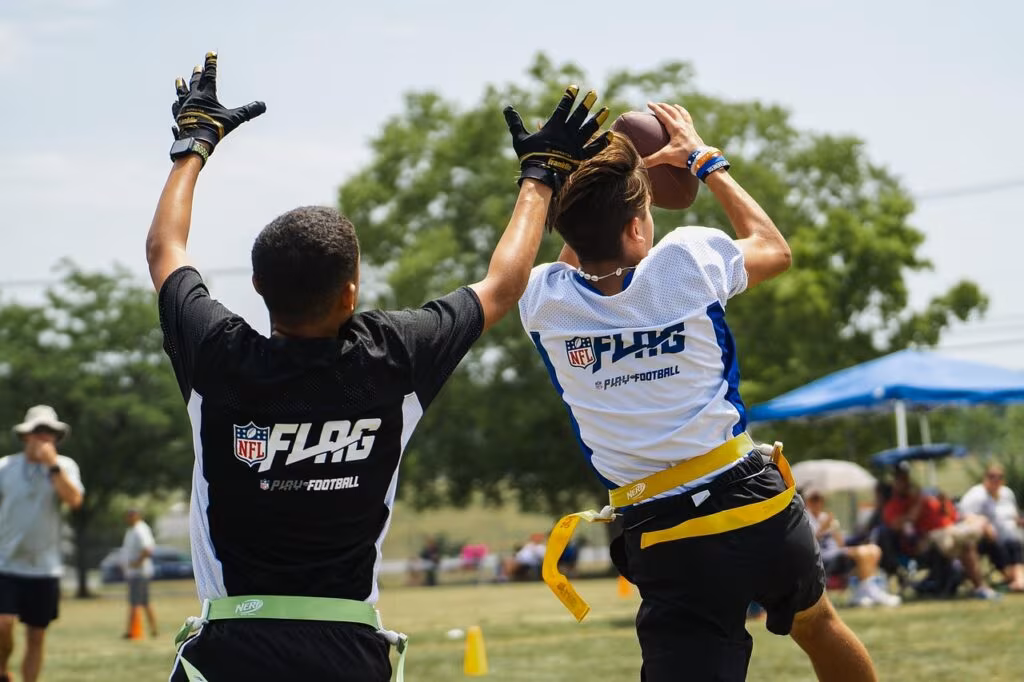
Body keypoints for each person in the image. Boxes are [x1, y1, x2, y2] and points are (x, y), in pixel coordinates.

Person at [146, 52, 610, 682]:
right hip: (349, 653)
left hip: (229, 651)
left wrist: (193, 142)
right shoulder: (393, 355)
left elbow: (165, 250)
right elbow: (503, 286)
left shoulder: (217, 355)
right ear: (351, 292)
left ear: (256, 285)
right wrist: (540, 174)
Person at [519, 103, 877, 681]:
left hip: (663, 528)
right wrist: (703, 160)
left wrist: (587, 183)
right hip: (749, 495)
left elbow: (577, 252)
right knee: (818, 624)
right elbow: (773, 246)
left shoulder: (543, 301)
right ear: (639, 227)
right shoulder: (687, 261)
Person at [0, 405, 84, 682]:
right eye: (39, 432)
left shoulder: (66, 466)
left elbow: (73, 500)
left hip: (45, 567)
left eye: (50, 433)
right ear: (26, 436)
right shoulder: (5, 467)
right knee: (3, 624)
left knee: (36, 635)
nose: (45, 438)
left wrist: (53, 466)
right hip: (6, 562)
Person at [882, 466, 998, 599]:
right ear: (895, 484)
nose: (905, 483)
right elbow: (900, 525)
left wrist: (943, 503)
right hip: (925, 540)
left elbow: (952, 517)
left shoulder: (929, 498)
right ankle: (981, 586)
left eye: (906, 479)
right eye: (900, 480)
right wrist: (919, 502)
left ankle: (981, 588)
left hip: (949, 532)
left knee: (966, 543)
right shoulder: (894, 506)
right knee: (961, 538)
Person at [803, 489, 901, 607]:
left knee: (874, 550)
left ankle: (864, 592)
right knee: (861, 553)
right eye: (814, 499)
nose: (818, 503)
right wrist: (823, 529)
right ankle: (869, 591)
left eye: (820, 499)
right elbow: (809, 544)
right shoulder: (805, 519)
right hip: (822, 557)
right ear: (807, 501)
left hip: (837, 552)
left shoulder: (825, 517)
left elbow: (841, 544)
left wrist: (834, 529)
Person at [959, 462, 1024, 592]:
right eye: (992, 476)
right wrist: (984, 524)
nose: (996, 479)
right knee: (1009, 545)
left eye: (999, 476)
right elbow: (964, 515)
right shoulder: (976, 494)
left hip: (1012, 535)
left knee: (1014, 542)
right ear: (985, 477)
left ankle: (1018, 580)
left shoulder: (1007, 493)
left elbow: (1014, 516)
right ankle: (1017, 580)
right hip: (988, 539)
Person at [120, 509, 158, 638]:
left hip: (139, 573)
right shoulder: (132, 529)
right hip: (135, 573)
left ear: (136, 516)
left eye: (130, 516)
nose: (128, 519)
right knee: (144, 602)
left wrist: (137, 563)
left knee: (135, 602)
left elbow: (148, 549)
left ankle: (133, 632)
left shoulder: (140, 529)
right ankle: (153, 630)